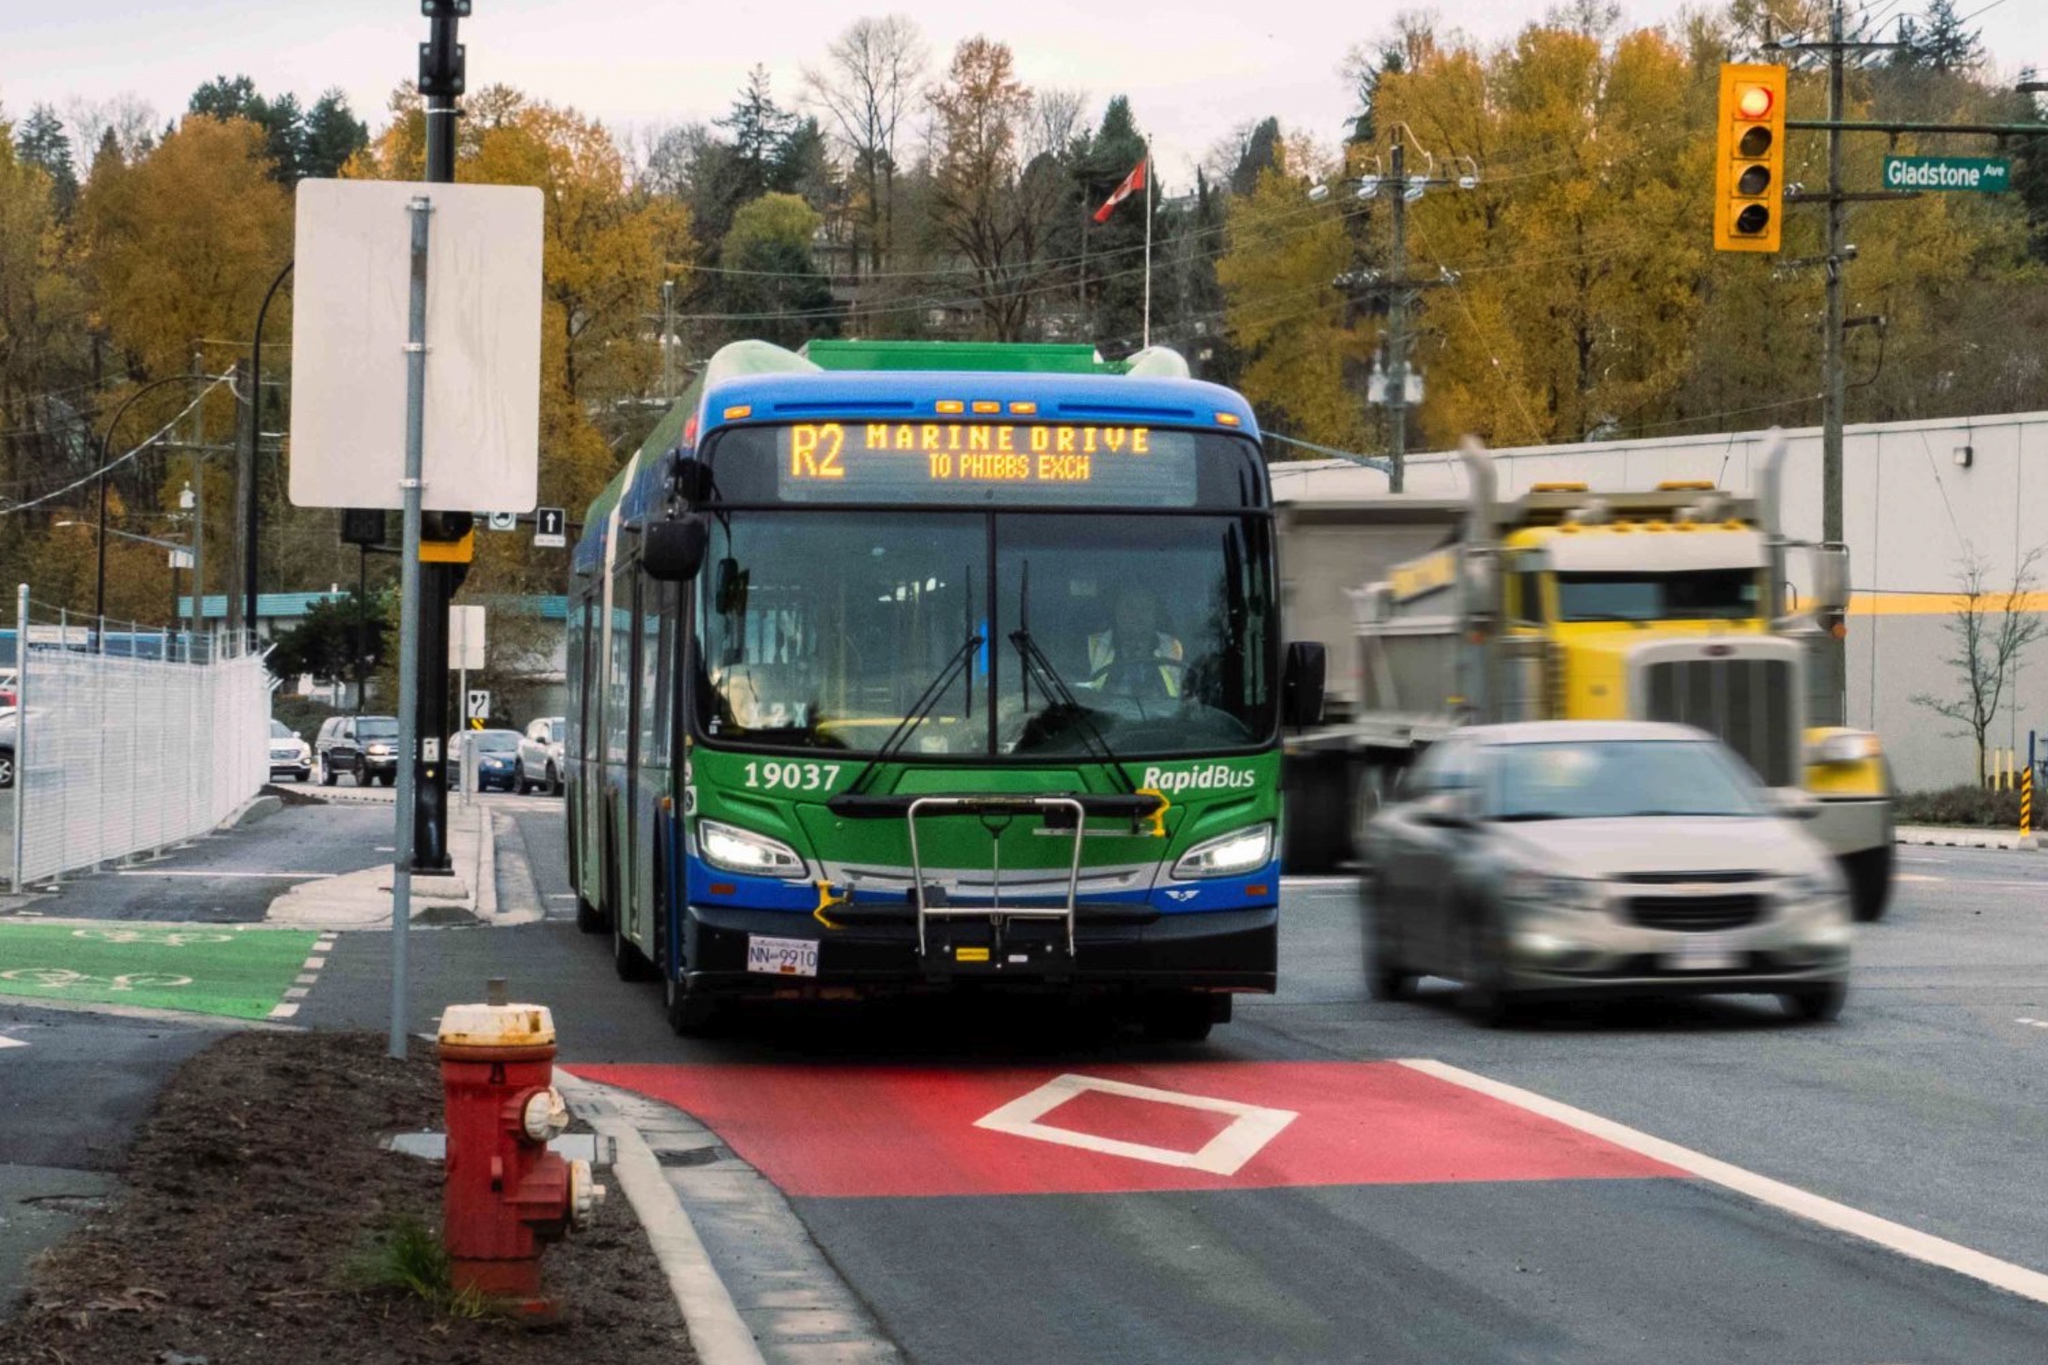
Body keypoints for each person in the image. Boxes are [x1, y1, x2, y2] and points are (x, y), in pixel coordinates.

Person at [1082, 584, 1184, 699]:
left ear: (1155, 615)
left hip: (1167, 716)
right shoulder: (1091, 646)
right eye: (1130, 607)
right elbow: (1075, 691)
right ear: (1115, 610)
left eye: (1145, 608)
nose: (1138, 615)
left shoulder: (1174, 647)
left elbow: (1190, 696)